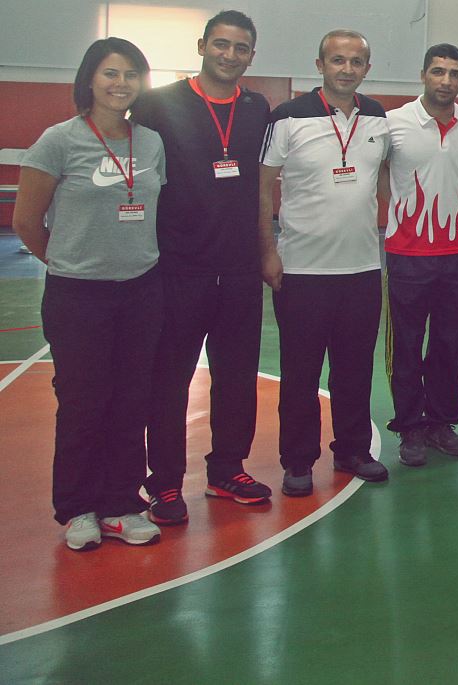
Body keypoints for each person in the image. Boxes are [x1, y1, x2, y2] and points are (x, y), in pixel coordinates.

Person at [15, 38, 166, 549]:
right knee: (82, 403)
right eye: (110, 73)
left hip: (141, 292)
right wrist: (70, 264)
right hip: (78, 296)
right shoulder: (58, 140)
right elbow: (27, 221)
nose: (121, 83)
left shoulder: (150, 143)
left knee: (130, 401)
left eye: (131, 74)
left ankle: (121, 504)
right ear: (90, 80)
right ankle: (79, 508)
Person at [132, 10, 273, 524]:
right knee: (169, 381)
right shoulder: (158, 104)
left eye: (240, 48)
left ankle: (227, 470)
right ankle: (165, 483)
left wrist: (264, 253)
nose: (229, 55)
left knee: (236, 378)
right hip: (178, 270)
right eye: (221, 44)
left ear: (251, 56)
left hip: (238, 271)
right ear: (202, 46)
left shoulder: (258, 108)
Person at [258, 29, 391, 495]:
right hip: (302, 272)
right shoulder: (287, 117)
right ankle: (298, 461)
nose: (346, 69)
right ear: (320, 65)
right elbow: (262, 187)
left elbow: (385, 179)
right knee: (300, 374)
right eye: (338, 60)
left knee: (354, 370)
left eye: (356, 61)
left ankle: (353, 449)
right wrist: (267, 250)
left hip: (362, 270)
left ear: (367, 68)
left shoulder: (377, 118)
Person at [385, 43, 458, 467]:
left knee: (449, 342)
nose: (446, 80)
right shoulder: (394, 123)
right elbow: (381, 173)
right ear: (423, 75)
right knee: (406, 344)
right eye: (438, 71)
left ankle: (441, 422)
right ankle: (409, 426)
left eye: (454, 73)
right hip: (408, 254)